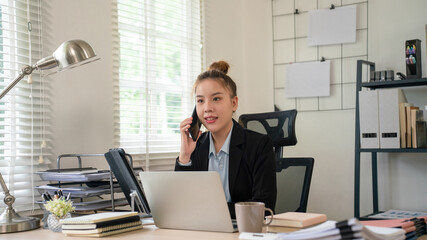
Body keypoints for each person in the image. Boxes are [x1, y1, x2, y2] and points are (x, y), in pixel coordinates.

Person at [175, 60, 277, 219]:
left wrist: (209, 210)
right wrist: (185, 157)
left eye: (216, 99)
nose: (207, 108)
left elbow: (264, 207)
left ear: (234, 103)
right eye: (200, 100)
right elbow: (181, 203)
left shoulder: (259, 145)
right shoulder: (197, 147)